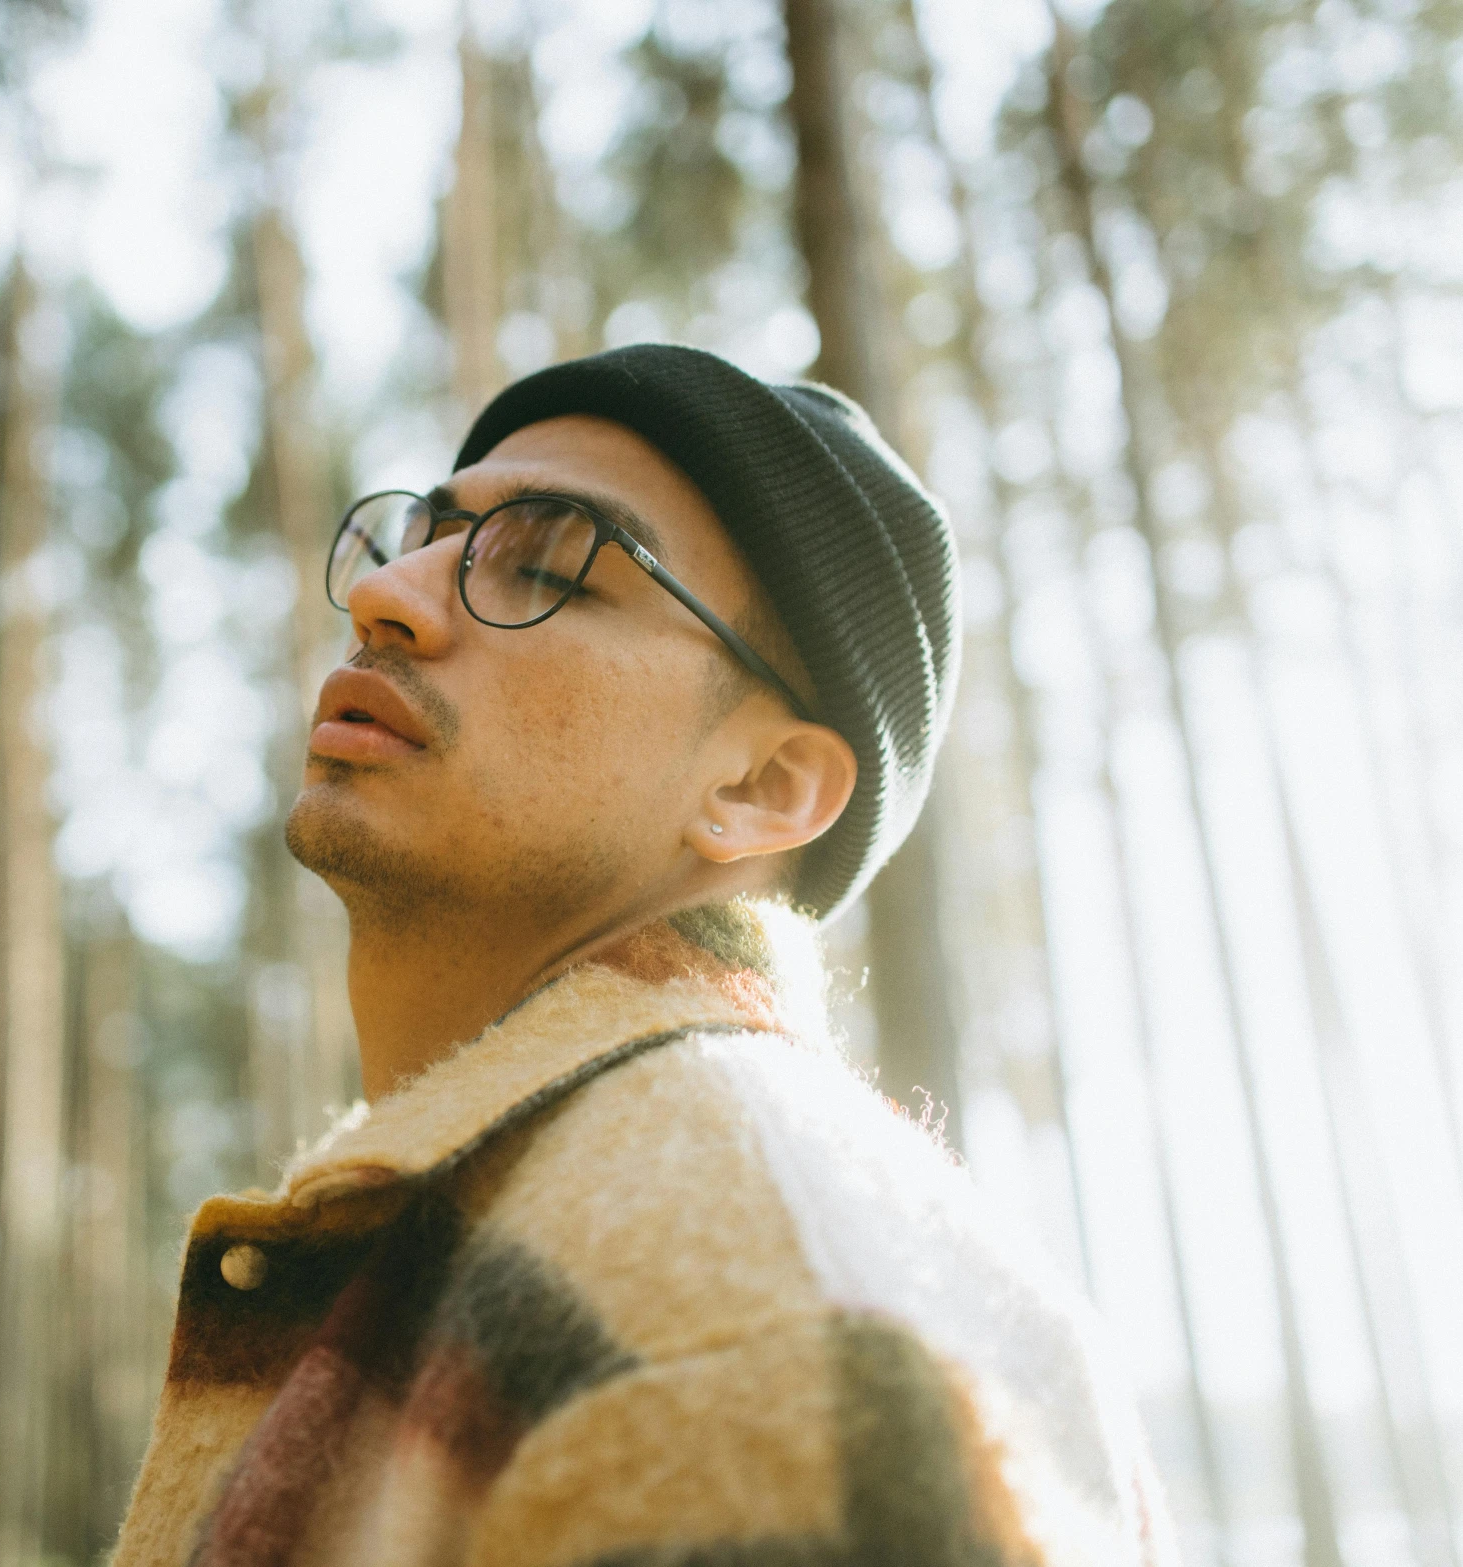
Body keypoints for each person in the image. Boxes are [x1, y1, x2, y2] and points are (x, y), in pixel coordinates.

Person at [112, 344, 1171, 1566]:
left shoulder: (747, 1292)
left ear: (763, 785)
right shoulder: (537, 1220)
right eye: (420, 534)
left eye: (548, 564)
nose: (385, 594)